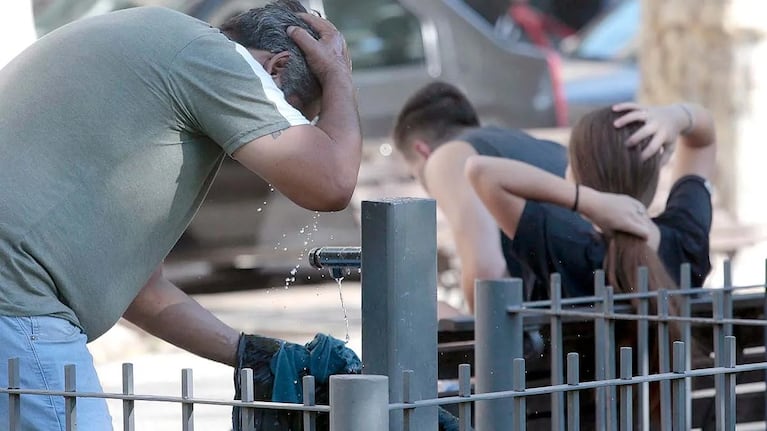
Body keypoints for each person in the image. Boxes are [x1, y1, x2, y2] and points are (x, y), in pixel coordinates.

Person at [0, 1, 361, 428]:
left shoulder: (158, 51)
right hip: (17, 300)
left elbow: (140, 290)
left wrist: (249, 353)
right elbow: (331, 183)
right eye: (292, 116)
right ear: (276, 69)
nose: (273, 137)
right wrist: (337, 72)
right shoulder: (215, 59)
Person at [466, 101, 715, 304]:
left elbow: (480, 171)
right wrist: (675, 115)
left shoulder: (563, 246)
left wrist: (586, 200)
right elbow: (703, 140)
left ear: (573, 175)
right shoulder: (686, 238)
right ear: (656, 171)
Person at [392, 81, 574, 311]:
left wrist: (479, 342)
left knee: (420, 310)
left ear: (422, 151)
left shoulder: (447, 156)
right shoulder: (536, 146)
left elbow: (487, 274)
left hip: (561, 325)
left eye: (415, 174)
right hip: (602, 306)